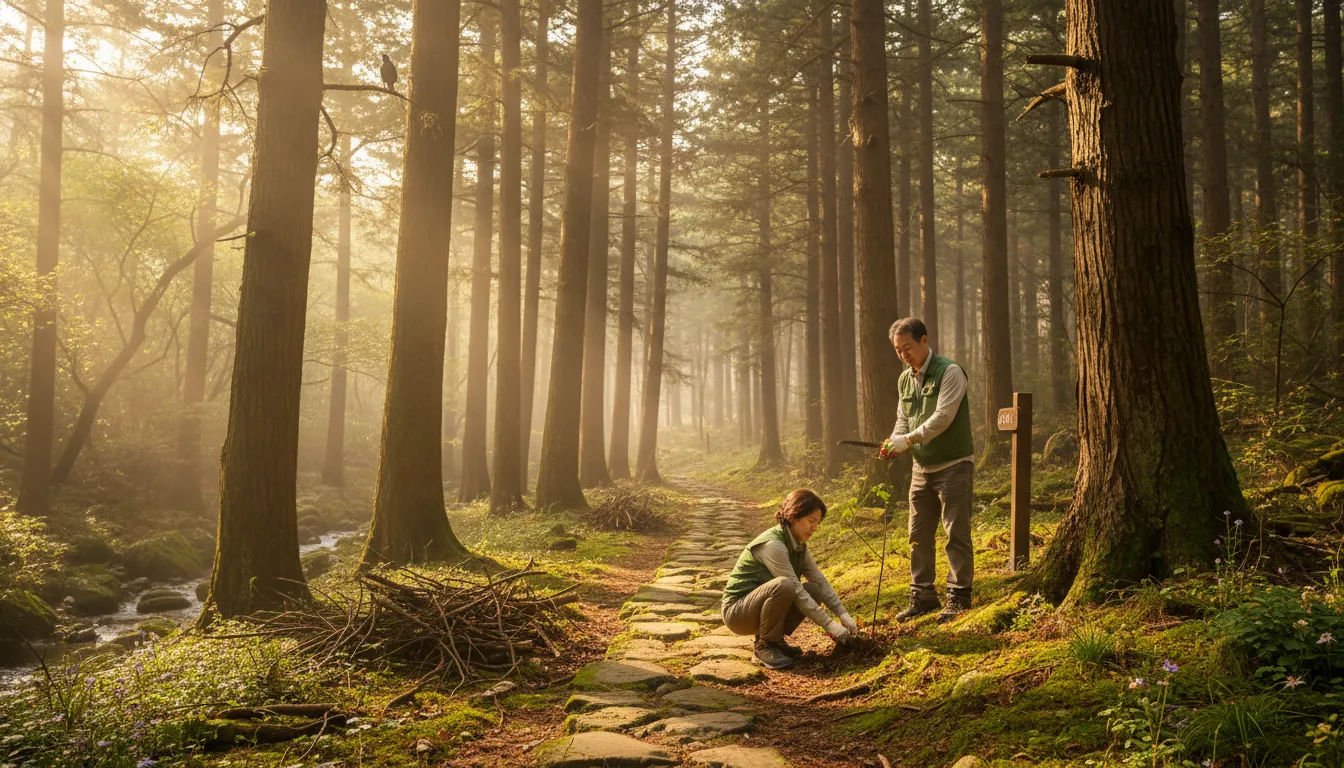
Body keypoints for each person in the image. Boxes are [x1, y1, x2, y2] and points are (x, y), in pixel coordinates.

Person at [880, 317, 976, 623]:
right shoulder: (904, 380)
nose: (904, 354)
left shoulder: (950, 371)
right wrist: (895, 442)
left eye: (907, 347)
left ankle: (959, 596)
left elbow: (944, 417)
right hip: (921, 469)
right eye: (898, 350)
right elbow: (903, 418)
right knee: (917, 534)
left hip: (954, 464)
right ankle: (922, 596)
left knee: (955, 532)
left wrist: (907, 440)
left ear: (924, 341)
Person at [721, 489, 858, 670]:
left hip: (758, 608)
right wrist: (830, 625)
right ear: (794, 516)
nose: (815, 527)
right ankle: (765, 646)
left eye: (818, 522)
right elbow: (796, 590)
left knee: (814, 589)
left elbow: (819, 580)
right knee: (785, 585)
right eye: (811, 521)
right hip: (737, 612)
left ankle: (775, 641)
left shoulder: (799, 545)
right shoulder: (773, 545)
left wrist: (842, 614)